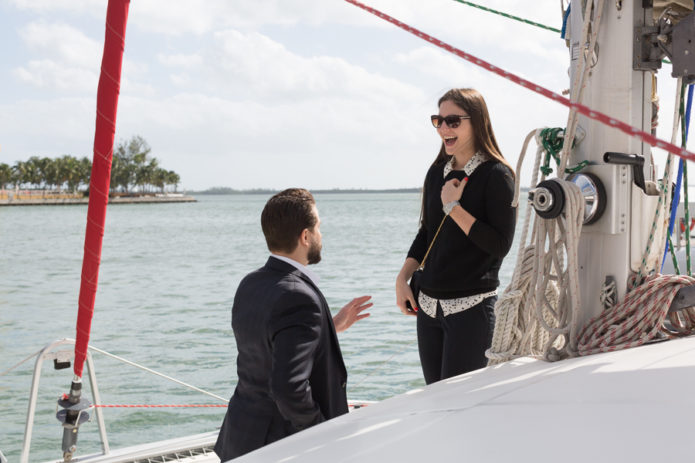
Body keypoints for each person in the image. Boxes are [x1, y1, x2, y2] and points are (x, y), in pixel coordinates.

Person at [214, 188, 372, 461]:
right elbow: (288, 388)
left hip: (240, 439)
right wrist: (321, 432)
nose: (321, 234)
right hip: (281, 449)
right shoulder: (299, 297)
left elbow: (267, 349)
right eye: (318, 226)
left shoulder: (250, 284)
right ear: (306, 236)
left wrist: (329, 327)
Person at [395, 88, 516, 385]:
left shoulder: (497, 175)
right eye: (438, 121)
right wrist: (402, 279)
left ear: (476, 122)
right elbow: (427, 232)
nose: (444, 129)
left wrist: (453, 207)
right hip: (428, 308)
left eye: (453, 121)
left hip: (471, 311)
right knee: (435, 401)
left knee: (460, 409)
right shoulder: (437, 172)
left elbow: (500, 245)